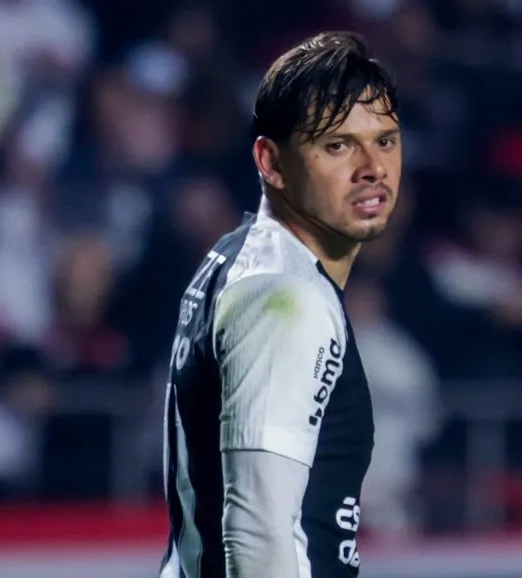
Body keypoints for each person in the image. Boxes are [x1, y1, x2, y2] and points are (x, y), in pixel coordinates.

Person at [158, 31, 402, 578]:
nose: (372, 167)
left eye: (385, 140)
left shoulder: (238, 257)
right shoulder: (286, 295)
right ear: (271, 161)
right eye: (337, 145)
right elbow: (259, 529)